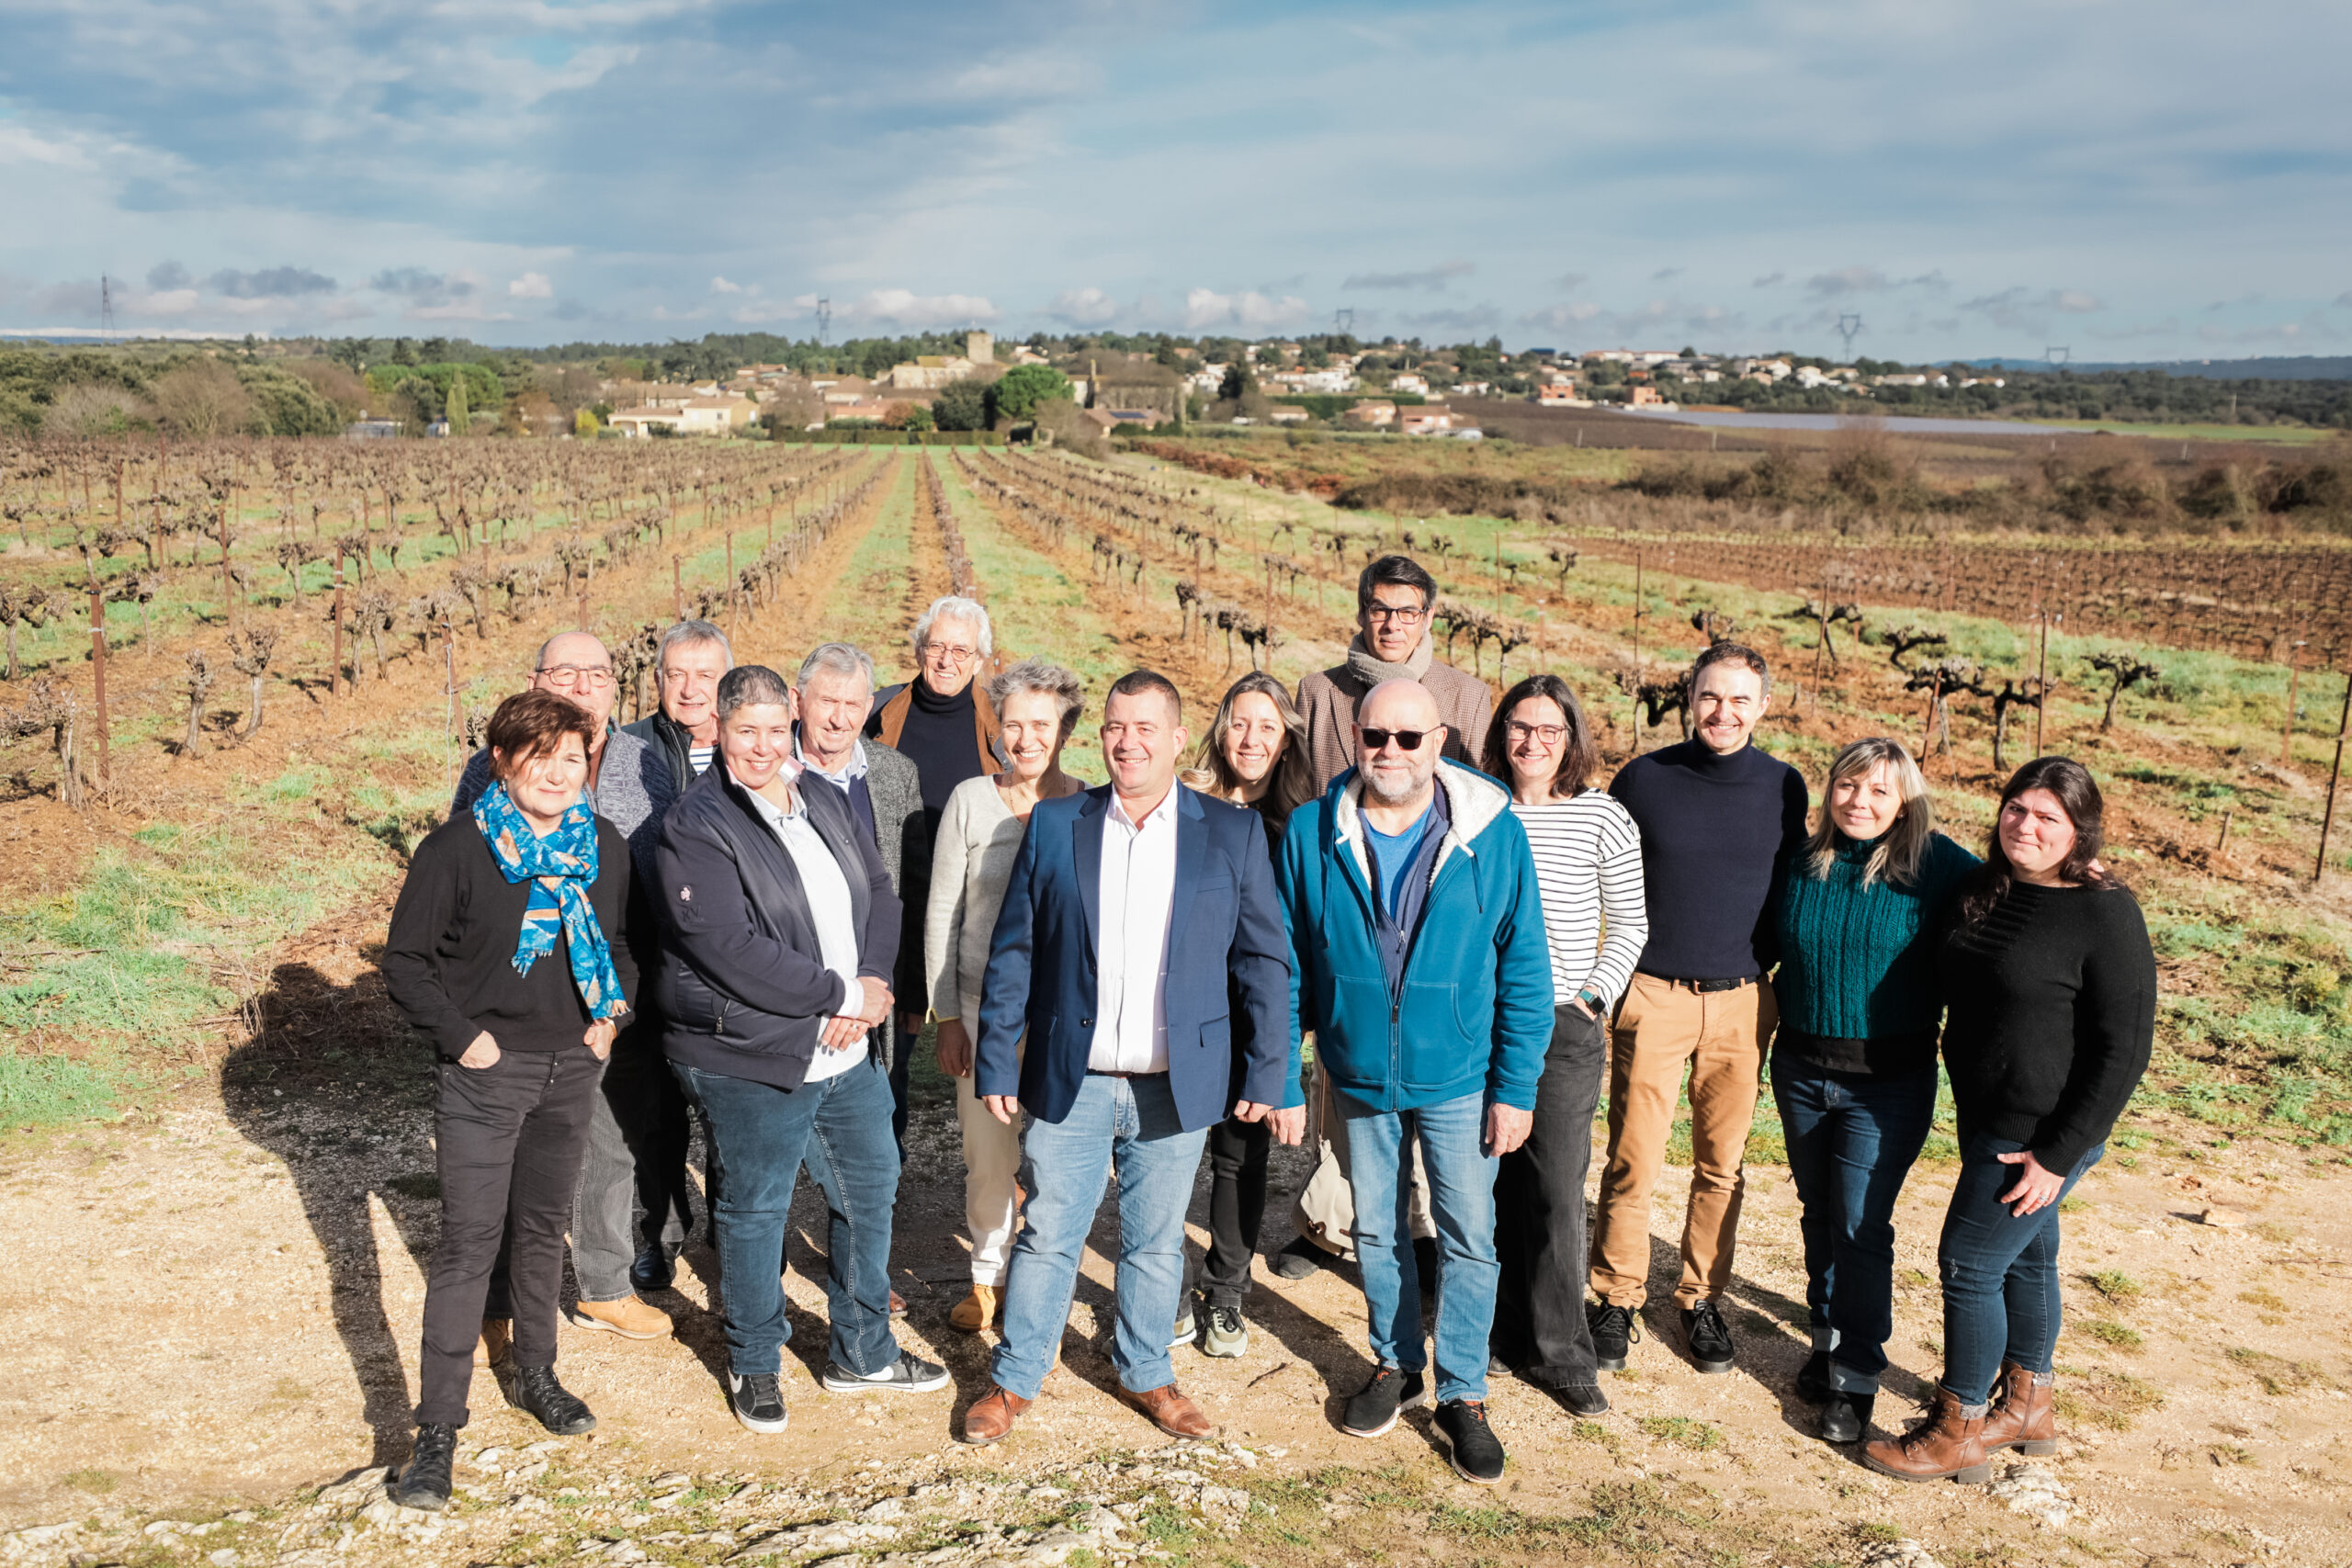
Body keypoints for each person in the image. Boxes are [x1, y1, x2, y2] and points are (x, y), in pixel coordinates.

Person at [959, 671, 1295, 1447]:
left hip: (1175, 1084)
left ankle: (1145, 1369)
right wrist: (1001, 1063)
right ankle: (1013, 1381)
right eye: (1115, 726)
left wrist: (1268, 1069)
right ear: (1100, 734)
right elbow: (1015, 951)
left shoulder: (1231, 833)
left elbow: (1262, 961)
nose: (1128, 741)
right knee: (1049, 1232)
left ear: (1179, 739)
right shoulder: (1056, 824)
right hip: (1072, 1077)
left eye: (1146, 727)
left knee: (1153, 1238)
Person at [651, 666, 946, 1436]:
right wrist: (838, 995)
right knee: (756, 1208)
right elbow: (725, 947)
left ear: (791, 722)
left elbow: (881, 892)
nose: (759, 744)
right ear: (717, 729)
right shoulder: (697, 823)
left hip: (844, 1047)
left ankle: (862, 1350)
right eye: (742, 729)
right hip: (753, 1048)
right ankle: (755, 1361)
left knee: (871, 1182)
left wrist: (873, 978)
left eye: (772, 727)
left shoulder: (815, 793)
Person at [1280, 679, 1553, 1484]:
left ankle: (1463, 1392)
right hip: (1358, 1070)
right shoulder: (1310, 831)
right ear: (1354, 738)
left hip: (1462, 1074)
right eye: (1374, 737)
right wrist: (1283, 1075)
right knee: (1375, 1228)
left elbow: (1525, 968)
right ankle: (1395, 1364)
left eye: (1408, 737)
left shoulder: (1492, 833)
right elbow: (1289, 956)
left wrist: (1517, 1085)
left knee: (1469, 1233)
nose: (1389, 752)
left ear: (1438, 741)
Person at [1867, 758, 2154, 1484]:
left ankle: (1957, 1425)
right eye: (2017, 809)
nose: (2026, 826)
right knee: (2028, 1256)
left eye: (2048, 817)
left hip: (2042, 1131)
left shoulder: (2106, 911)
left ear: (2079, 831)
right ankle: (2029, 1404)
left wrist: (2058, 1155)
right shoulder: (1982, 888)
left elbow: (2125, 1050)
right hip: (1985, 1117)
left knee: (1969, 1264)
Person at [383, 690, 638, 1510]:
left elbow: (622, 946)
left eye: (574, 758)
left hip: (573, 1067)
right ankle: (438, 1434)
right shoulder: (457, 849)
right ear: (502, 760)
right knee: (467, 1243)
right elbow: (408, 963)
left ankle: (537, 1374)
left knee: (540, 1232)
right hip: (486, 1075)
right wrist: (468, 1040)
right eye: (541, 757)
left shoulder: (601, 844)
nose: (559, 773)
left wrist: (610, 1017)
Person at [452, 630, 680, 1344]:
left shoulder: (649, 760)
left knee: (610, 1136)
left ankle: (606, 1284)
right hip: (518, 988)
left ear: (617, 687)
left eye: (598, 672)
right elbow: (463, 867)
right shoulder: (489, 768)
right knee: (515, 1147)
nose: (583, 683)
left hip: (617, 977)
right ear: (535, 680)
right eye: (566, 671)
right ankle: (497, 1294)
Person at [1589, 642, 1807, 1380]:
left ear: (1763, 706)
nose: (1724, 711)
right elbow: (1603, 877)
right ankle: (1616, 1295)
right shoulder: (1645, 778)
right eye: (1711, 697)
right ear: (1690, 699)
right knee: (1633, 1158)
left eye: (1740, 699)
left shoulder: (1786, 787)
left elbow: (1793, 885)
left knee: (1722, 1167)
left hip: (1744, 1001)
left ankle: (1699, 1298)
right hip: (1653, 993)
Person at [1276, 553, 1483, 1280]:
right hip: (1346, 902)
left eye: (1407, 611)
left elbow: (1482, 807)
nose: (1391, 623)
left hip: (1429, 912)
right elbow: (1300, 796)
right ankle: (1331, 1221)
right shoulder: (1319, 691)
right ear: (1361, 611)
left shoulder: (1467, 695)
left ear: (1430, 617)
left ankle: (1418, 1229)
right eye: (1379, 608)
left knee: (1431, 1088)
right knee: (1342, 1081)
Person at [1770, 739, 1979, 1445]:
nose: (1859, 802)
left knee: (1861, 1224)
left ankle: (1858, 1372)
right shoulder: (1803, 860)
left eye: (1879, 792)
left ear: (1906, 802)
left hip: (1886, 1083)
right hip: (1799, 1069)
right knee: (1818, 1208)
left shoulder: (1938, 866)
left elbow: (2015, 894)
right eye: (1847, 786)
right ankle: (1825, 1334)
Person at [1482, 674, 1646, 1420]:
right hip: (1478, 1020)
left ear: (1572, 739)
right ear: (1501, 732)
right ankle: (1495, 1328)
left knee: (1553, 1185)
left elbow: (1631, 922)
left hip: (1560, 1024)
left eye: (1550, 731)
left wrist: (1592, 997)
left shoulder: (1603, 817)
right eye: (1521, 726)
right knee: (1483, 1182)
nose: (1533, 743)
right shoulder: (1475, 808)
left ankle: (1562, 1351)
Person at [925, 660, 1089, 1337]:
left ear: (1066, 729)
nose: (1025, 739)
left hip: (1060, 1020)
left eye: (1040, 725)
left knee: (1054, 1159)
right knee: (989, 1157)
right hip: (983, 1011)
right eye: (1013, 724)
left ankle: (1037, 1275)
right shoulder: (971, 798)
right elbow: (943, 911)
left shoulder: (1088, 801)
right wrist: (950, 1017)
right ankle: (986, 1278)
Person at [1175, 671, 1316, 1357]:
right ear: (1219, 727)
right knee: (1159, 1152)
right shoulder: (1184, 804)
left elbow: (1296, 950)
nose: (1251, 738)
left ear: (1286, 736)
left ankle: (1226, 1289)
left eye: (1267, 725)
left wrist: (1282, 1058)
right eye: (1239, 722)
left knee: (1239, 1159)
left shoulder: (1302, 826)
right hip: (1179, 1011)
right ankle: (1165, 1281)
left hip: (1252, 1017)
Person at [865, 593, 1003, 1122]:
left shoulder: (1000, 726)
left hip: (973, 900)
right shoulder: (879, 711)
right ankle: (885, 1177)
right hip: (895, 896)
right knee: (890, 1052)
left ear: (981, 659)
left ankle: (997, 1172)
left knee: (982, 1042)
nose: (947, 660)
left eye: (961, 651)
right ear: (920, 648)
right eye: (937, 646)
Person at [794, 643, 930, 1156]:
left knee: (875, 1138)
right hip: (791, 991)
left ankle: (873, 1226)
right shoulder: (763, 767)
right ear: (797, 701)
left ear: (869, 706)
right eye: (827, 701)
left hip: (878, 990)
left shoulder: (895, 772)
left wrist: (911, 992)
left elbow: (911, 890)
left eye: (853, 705)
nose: (839, 717)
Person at [625, 619, 732, 792]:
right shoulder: (623, 748)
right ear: (659, 681)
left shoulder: (758, 749)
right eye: (677, 675)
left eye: (705, 676)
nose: (689, 691)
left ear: (728, 681)